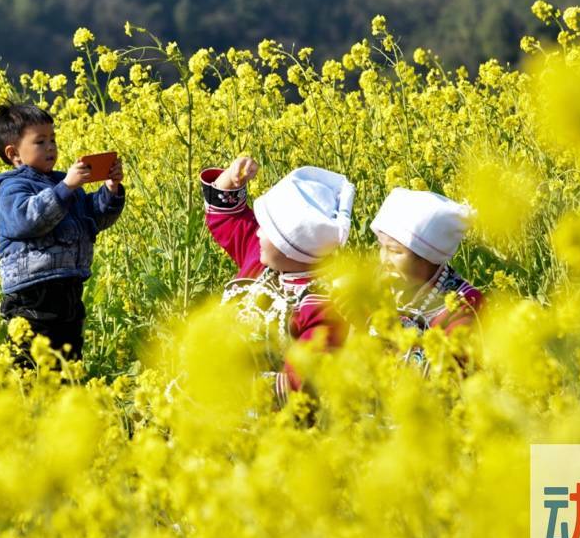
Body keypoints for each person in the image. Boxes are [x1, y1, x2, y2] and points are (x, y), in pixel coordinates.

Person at [201, 156, 354, 398]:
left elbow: (301, 386)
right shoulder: (262, 257)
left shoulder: (321, 307)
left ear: (290, 246)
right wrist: (231, 179)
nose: (257, 230)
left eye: (267, 228)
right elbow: (225, 216)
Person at [0, 103, 125, 365]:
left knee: (68, 361)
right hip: (33, 294)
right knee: (29, 361)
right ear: (14, 153)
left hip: (69, 288)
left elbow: (93, 219)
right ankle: (20, 401)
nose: (51, 146)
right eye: (40, 141)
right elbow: (30, 219)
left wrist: (111, 189)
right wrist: (66, 188)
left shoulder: (64, 182)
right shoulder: (10, 186)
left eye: (53, 139)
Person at [370, 187, 483, 373]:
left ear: (428, 256)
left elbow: (450, 378)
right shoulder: (380, 289)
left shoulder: (464, 306)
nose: (384, 260)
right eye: (381, 247)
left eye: (395, 251)